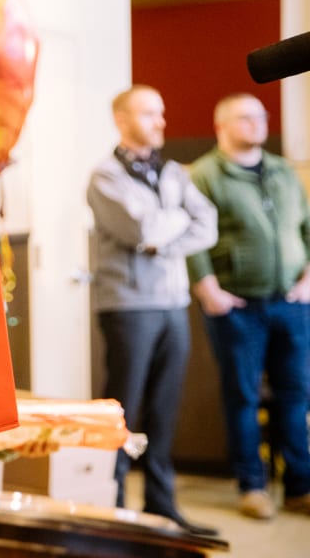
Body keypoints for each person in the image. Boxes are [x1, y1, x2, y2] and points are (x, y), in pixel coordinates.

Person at [86, 85, 218, 536]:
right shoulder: (104, 177)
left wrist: (164, 232)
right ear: (122, 120)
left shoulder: (175, 172)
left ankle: (163, 508)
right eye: (149, 113)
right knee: (125, 411)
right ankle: (115, 508)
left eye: (161, 112)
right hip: (129, 307)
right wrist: (167, 223)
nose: (162, 121)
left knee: (164, 409)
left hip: (173, 304)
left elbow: (207, 224)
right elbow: (142, 227)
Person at [187, 92, 310, 520]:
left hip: (292, 304)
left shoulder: (282, 171)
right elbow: (192, 236)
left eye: (261, 116)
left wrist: (309, 280)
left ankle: (299, 486)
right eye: (245, 117)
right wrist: (208, 290)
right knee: (242, 397)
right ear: (222, 125)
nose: (257, 124)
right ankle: (252, 487)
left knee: (297, 395)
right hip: (238, 308)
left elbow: (307, 226)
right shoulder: (205, 174)